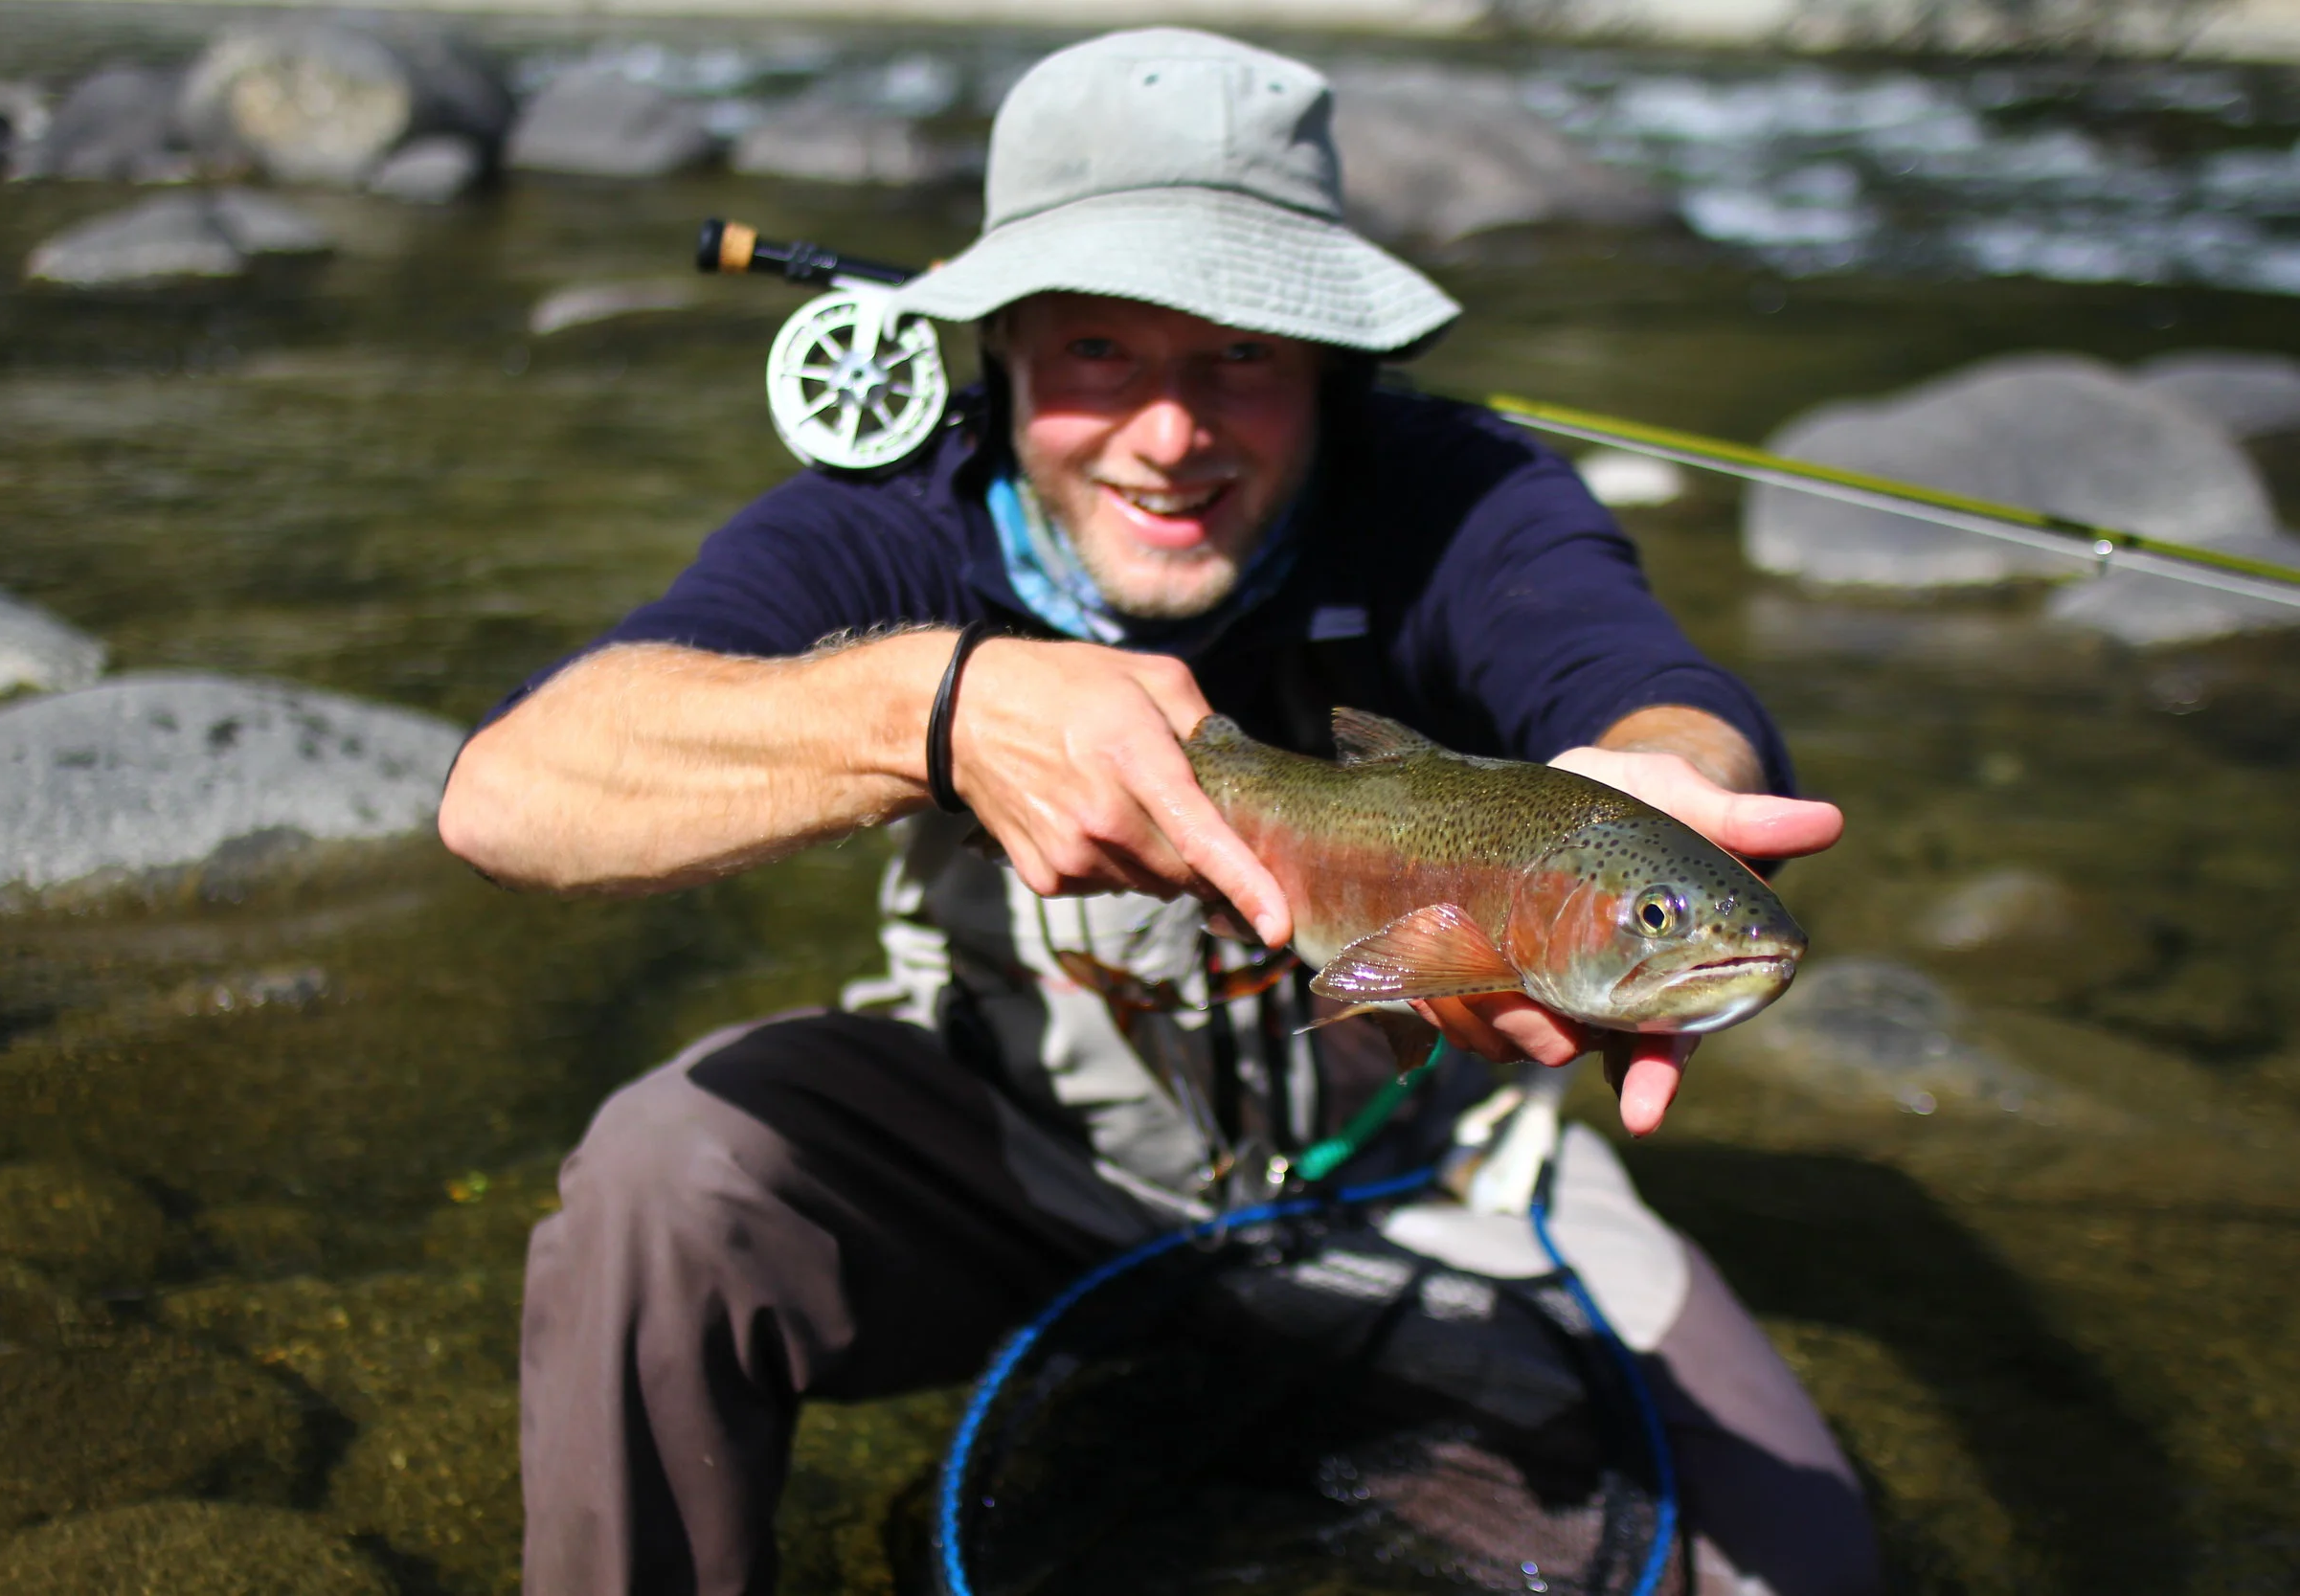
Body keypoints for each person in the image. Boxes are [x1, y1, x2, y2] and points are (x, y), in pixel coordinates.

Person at [440, 27, 1877, 1596]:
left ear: (1327, 355)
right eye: (1100, 353)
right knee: (668, 1179)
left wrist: (1657, 804)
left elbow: (1660, 699)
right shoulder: (897, 520)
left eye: (1241, 353)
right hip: (1015, 1148)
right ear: (1000, 354)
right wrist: (930, 705)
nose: (1172, 434)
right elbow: (511, 792)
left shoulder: (1453, 496)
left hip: (1416, 1177)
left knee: (1792, 1558)